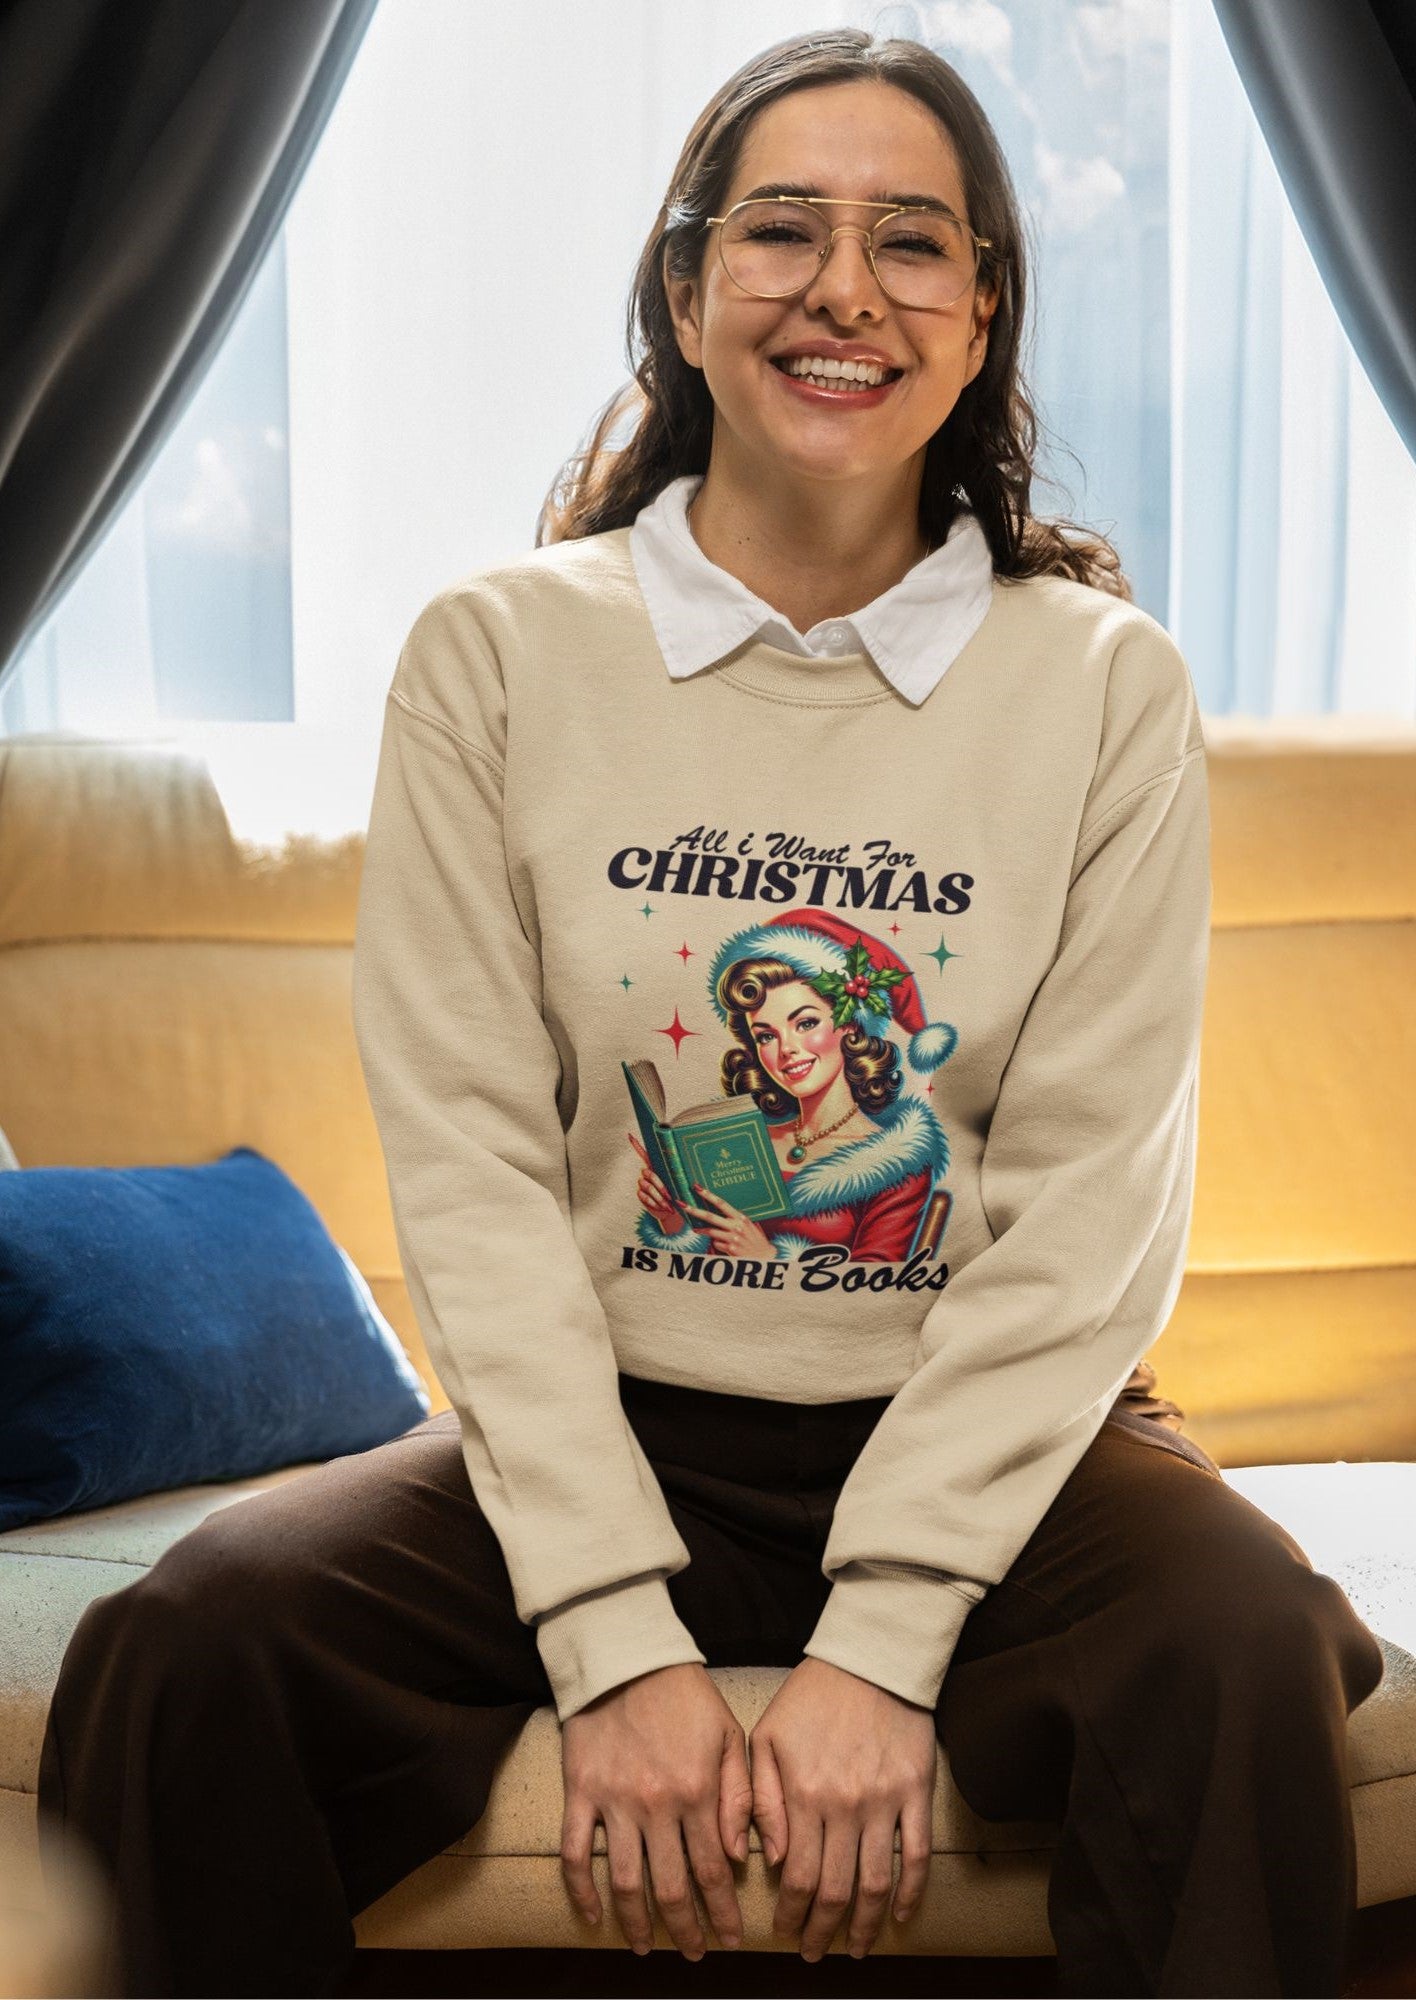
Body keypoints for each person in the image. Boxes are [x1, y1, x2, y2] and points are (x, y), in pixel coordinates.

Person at [36, 27, 1386, 2000]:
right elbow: (479, 1175)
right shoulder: (496, 656)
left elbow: (1091, 1224)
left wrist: (879, 1642)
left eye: (914, 241)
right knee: (183, 1645)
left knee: (1247, 1639)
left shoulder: (1102, 687)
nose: (848, 288)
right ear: (683, 293)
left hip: (991, 1437)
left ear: (985, 310)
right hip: (615, 1419)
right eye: (784, 231)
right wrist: (616, 1639)